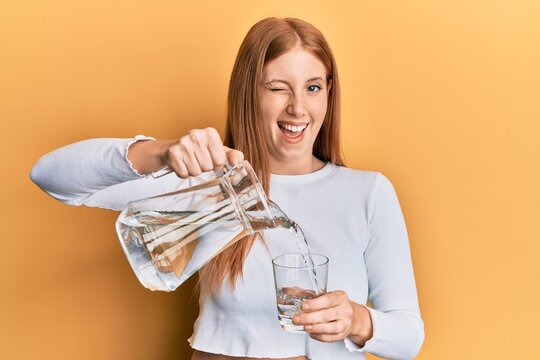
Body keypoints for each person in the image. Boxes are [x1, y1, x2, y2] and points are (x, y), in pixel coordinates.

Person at [31, 17, 424, 360]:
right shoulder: (208, 179)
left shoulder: (367, 193)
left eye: (312, 87)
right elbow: (50, 176)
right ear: (248, 92)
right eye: (278, 87)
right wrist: (159, 153)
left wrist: (359, 320)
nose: (298, 109)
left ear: (329, 92)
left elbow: (409, 337)